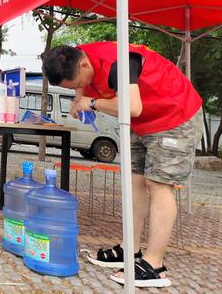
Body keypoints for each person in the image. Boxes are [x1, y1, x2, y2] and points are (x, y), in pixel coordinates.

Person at [42, 42, 202, 289]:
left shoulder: (120, 62)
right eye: (72, 88)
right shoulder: (74, 58)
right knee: (134, 180)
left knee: (158, 183)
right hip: (143, 122)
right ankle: (132, 249)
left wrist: (92, 103)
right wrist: (79, 100)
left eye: (75, 84)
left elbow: (132, 107)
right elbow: (84, 90)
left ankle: (154, 265)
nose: (77, 89)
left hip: (174, 114)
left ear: (84, 64)